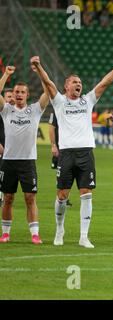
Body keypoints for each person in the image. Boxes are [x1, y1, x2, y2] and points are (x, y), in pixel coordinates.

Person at [32, 55, 113, 248]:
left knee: (86, 193)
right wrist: (39, 66)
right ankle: (60, 230)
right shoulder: (59, 101)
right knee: (62, 195)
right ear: (66, 86)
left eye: (80, 82)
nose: (79, 84)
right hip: (66, 154)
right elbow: (48, 83)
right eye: (75, 82)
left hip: (86, 153)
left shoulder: (88, 101)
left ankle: (84, 236)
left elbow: (105, 82)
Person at [0, 65, 49, 244]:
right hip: (9, 161)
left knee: (30, 198)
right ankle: (5, 233)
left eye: (22, 92)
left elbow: (49, 93)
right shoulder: (6, 110)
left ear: (28, 95)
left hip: (28, 161)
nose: (19, 95)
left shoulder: (35, 110)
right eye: (16, 92)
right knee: (8, 198)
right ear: (12, 95)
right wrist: (6, 74)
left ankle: (34, 234)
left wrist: (40, 72)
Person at [48, 111, 73, 207]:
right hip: (60, 148)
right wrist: (53, 145)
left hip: (71, 148)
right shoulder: (56, 109)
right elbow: (51, 128)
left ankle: (64, 198)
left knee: (68, 172)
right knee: (60, 173)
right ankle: (61, 198)